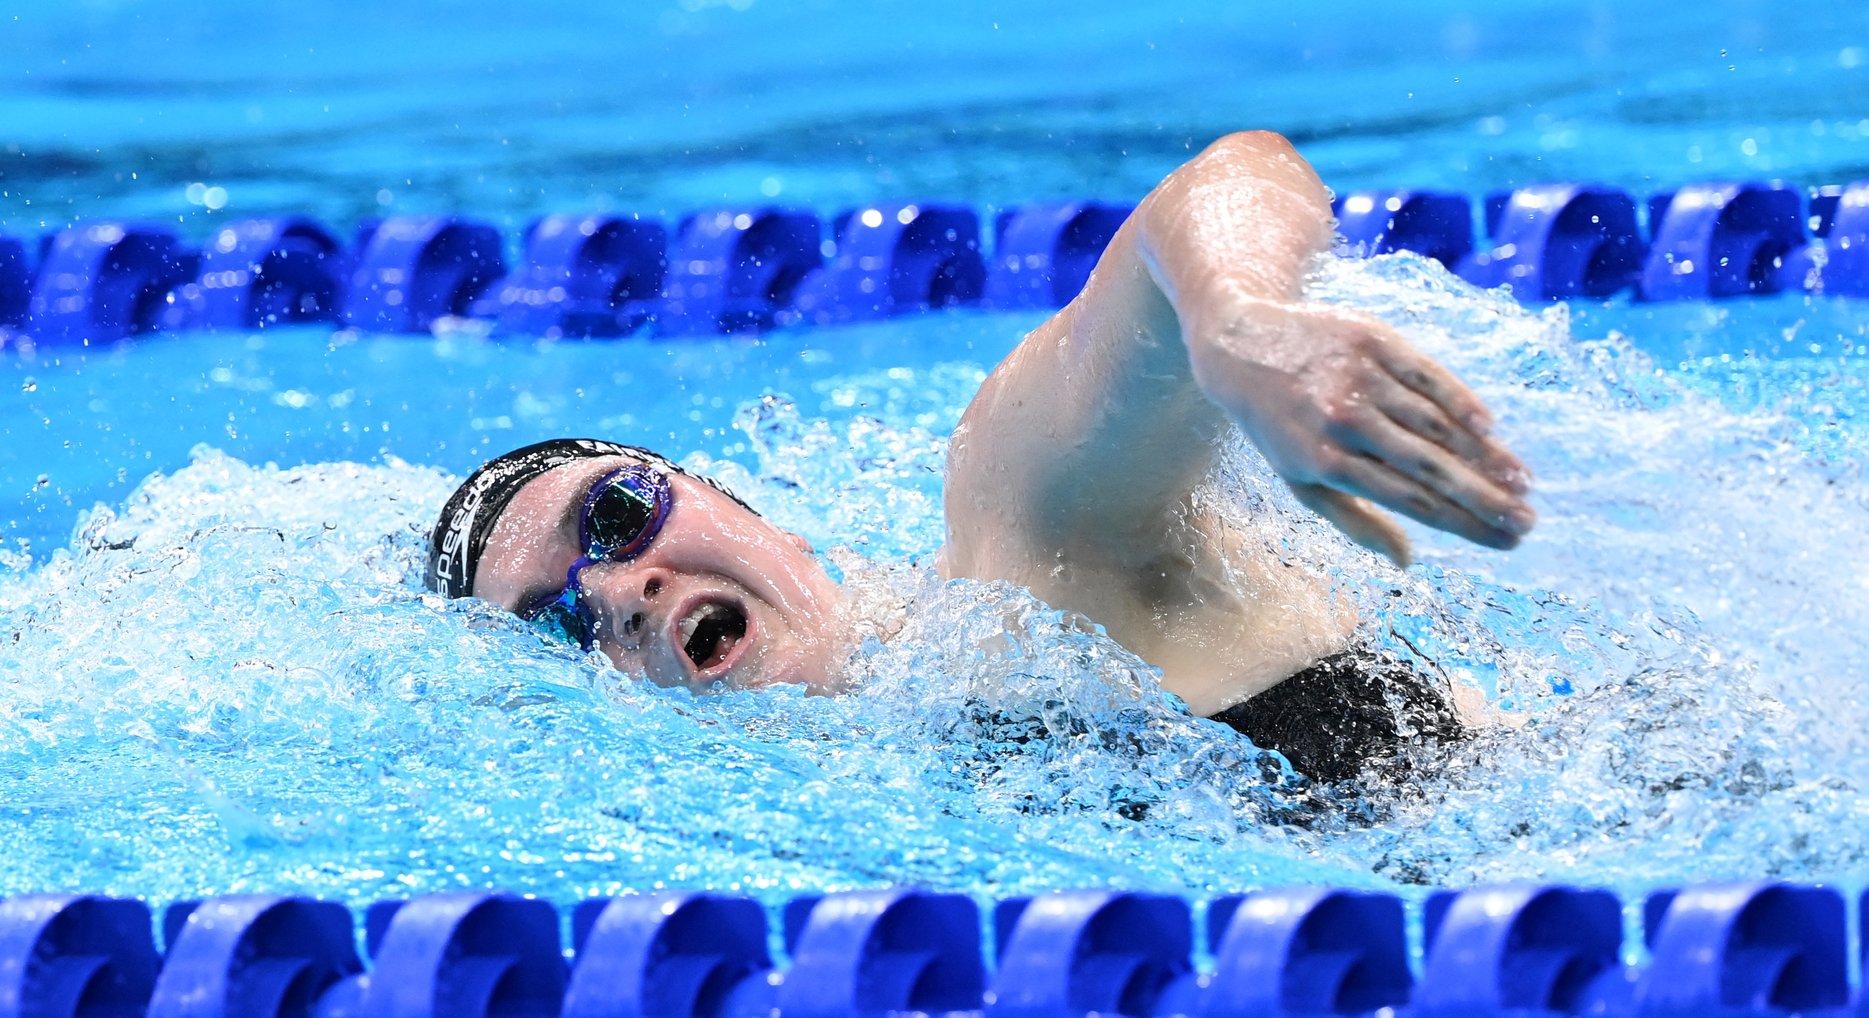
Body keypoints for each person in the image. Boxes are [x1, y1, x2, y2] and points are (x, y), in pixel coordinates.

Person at [428, 130, 1536, 785]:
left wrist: (1239, 327)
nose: (618, 593)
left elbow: (1222, 183)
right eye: (559, 626)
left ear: (743, 506)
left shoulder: (1027, 545)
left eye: (616, 517)